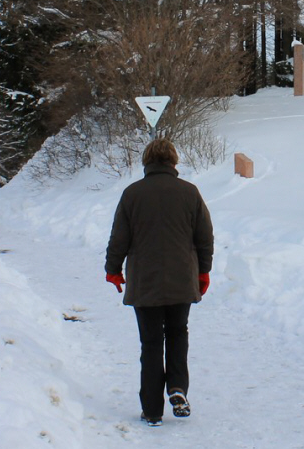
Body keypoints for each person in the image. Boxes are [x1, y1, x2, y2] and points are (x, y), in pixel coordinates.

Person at [104, 137, 214, 427]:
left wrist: (113, 269)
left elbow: (119, 238)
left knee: (151, 342)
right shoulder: (190, 193)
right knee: (178, 333)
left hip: (145, 281)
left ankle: (152, 409)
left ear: (146, 162)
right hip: (181, 278)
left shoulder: (132, 194)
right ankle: (177, 387)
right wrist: (203, 271)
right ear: (174, 162)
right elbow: (204, 238)